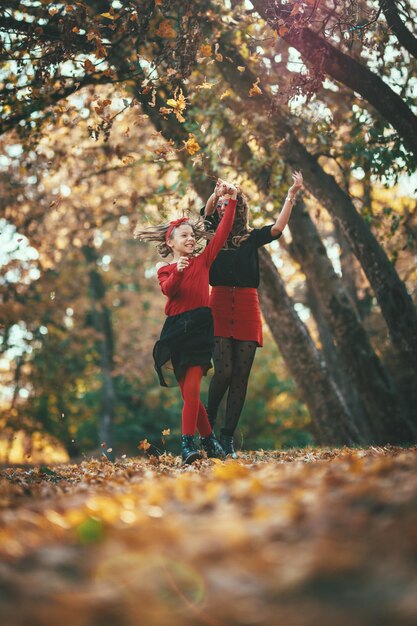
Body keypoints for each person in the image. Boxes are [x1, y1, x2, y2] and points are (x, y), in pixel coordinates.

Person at [134, 181, 238, 464]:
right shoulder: (164, 268)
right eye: (184, 235)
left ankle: (186, 446)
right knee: (188, 394)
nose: (191, 239)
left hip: (201, 327)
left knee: (192, 390)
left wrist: (232, 201)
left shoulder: (204, 261)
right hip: (175, 331)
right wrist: (178, 272)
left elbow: (223, 232)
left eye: (193, 235)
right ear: (171, 242)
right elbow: (169, 291)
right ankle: (210, 441)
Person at [201, 172, 303, 458]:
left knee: (241, 376)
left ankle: (227, 439)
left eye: (228, 205)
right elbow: (207, 211)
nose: (222, 208)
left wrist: (291, 194)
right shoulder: (212, 234)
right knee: (224, 370)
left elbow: (278, 228)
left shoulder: (250, 237)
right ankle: (206, 427)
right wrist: (217, 193)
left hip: (247, 305)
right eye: (220, 206)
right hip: (218, 304)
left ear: (239, 208)